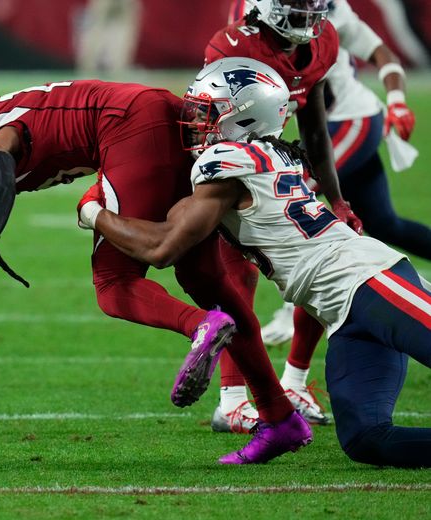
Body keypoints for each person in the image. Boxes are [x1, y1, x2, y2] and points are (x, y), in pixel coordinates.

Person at [0, 79, 310, 464]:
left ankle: (202, 328)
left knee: (113, 284)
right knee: (209, 283)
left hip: (129, 128)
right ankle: (279, 418)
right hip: (150, 113)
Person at [78, 56, 431, 468]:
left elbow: (163, 248)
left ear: (244, 120)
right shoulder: (264, 156)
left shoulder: (225, 162)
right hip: (340, 311)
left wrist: (95, 214)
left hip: (368, 279)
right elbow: (174, 222)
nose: (192, 121)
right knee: (365, 439)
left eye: (206, 112)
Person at [231, 0, 431, 401]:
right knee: (384, 223)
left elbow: (382, 54)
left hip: (347, 122)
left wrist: (395, 100)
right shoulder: (251, 15)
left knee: (302, 217)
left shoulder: (328, 12)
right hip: (310, 130)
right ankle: (294, 377)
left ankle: (294, 370)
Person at [202, 0, 364, 432]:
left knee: (322, 262)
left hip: (278, 160)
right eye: (297, 3)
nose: (309, 11)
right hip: (230, 160)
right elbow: (213, 120)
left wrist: (337, 198)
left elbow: (314, 125)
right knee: (238, 277)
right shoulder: (235, 44)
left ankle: (294, 382)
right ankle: (232, 401)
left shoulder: (323, 41)